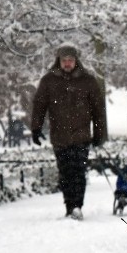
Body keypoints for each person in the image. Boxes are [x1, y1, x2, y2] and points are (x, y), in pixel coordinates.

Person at [30, 44, 106, 220]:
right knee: (65, 173)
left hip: (81, 136)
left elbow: (98, 110)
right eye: (64, 60)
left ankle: (77, 206)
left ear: (76, 61)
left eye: (70, 60)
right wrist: (36, 128)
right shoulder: (49, 81)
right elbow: (39, 105)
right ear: (59, 61)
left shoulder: (88, 81)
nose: (67, 63)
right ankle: (69, 206)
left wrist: (98, 133)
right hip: (59, 136)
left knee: (79, 172)